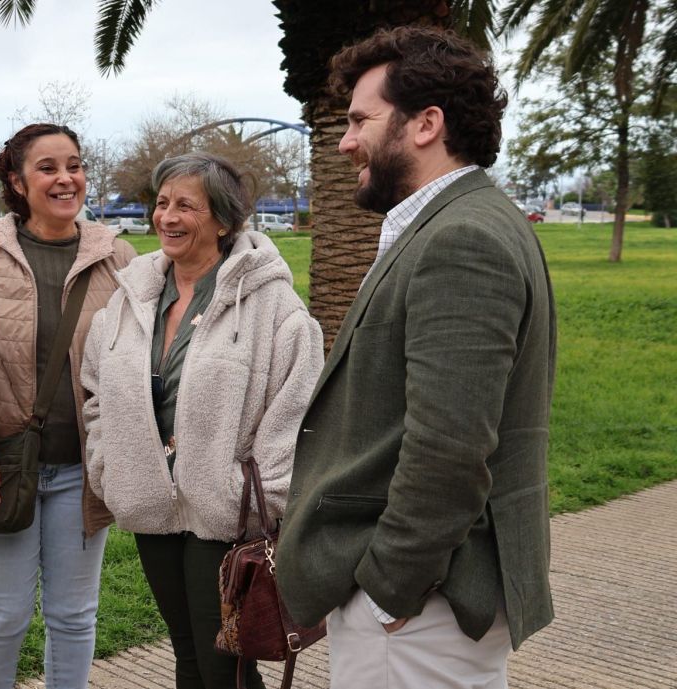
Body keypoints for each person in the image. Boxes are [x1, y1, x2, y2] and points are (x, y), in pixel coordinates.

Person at [274, 26, 558, 689]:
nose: (345, 141)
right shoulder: (456, 222)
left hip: (421, 610)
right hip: (423, 604)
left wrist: (387, 590)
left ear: (426, 123)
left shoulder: (461, 238)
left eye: (360, 121)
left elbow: (451, 448)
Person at [80, 153, 324, 689]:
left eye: (186, 205)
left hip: (226, 513)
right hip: (151, 503)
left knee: (226, 667)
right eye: (161, 203)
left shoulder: (272, 306)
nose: (167, 216)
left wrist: (262, 493)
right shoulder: (132, 299)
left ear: (222, 219)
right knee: (188, 654)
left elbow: (297, 405)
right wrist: (110, 465)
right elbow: (95, 392)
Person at [0, 123, 136, 689]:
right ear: (17, 180)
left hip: (83, 468)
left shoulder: (117, 254)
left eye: (73, 165)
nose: (65, 178)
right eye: (47, 167)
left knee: (75, 616)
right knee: (3, 615)